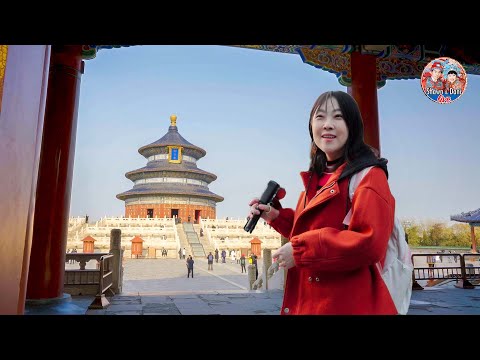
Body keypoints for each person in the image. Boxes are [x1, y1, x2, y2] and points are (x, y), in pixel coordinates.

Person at [247, 90, 396, 315]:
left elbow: (369, 242)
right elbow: (308, 228)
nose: (327, 125)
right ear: (311, 127)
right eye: (320, 117)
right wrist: (275, 216)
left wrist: (300, 251)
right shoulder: (315, 179)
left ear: (353, 126)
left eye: (338, 117)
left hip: (347, 302)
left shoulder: (369, 176)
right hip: (310, 301)